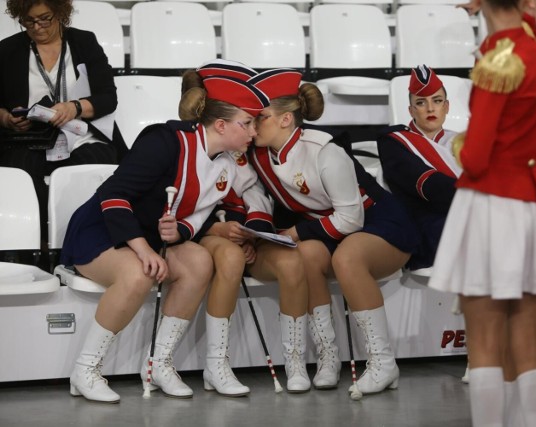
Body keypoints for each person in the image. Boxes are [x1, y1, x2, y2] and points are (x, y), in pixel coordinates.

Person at [60, 70, 269, 403]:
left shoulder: (227, 165)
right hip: (101, 229)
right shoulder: (165, 139)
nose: (254, 132)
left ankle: (158, 364)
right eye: (247, 122)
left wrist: (177, 232)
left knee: (199, 262)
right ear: (221, 125)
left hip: (147, 237)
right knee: (138, 273)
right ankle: (85, 370)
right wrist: (145, 250)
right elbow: (113, 195)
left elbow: (194, 223)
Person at [428, 0, 536, 425]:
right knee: (529, 344)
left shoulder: (501, 58)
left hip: (494, 204)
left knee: (486, 343)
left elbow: (475, 156)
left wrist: (457, 145)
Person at [247, 68, 419, 394]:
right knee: (308, 255)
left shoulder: (324, 148)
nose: (254, 125)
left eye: (262, 117)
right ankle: (329, 356)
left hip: (378, 222)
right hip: (330, 229)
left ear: (286, 119)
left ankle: (383, 363)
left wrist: (297, 231)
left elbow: (352, 219)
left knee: (347, 258)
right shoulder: (259, 152)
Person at [183, 62, 310, 395]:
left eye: (258, 118)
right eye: (249, 119)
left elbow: (259, 198)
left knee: (294, 262)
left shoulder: (261, 149)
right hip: (210, 234)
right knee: (230, 259)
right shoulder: (199, 146)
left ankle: (295, 362)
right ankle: (217, 363)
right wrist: (227, 231)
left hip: (257, 234)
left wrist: (253, 232)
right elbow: (193, 205)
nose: (254, 129)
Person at [0, 0, 126, 246]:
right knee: (20, 171)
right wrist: (6, 119)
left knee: (94, 165)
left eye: (44, 18)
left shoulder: (84, 42)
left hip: (78, 131)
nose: (37, 27)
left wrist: (74, 107)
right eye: (28, 21)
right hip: (29, 137)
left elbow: (108, 98)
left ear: (60, 13)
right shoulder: (7, 50)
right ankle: (38, 244)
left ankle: (87, 243)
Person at [377, 65, 461, 270]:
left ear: (447, 106)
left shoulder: (463, 142)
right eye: (421, 103)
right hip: (422, 227)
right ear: (411, 110)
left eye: (437, 101)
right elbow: (426, 186)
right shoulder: (395, 142)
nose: (431, 109)